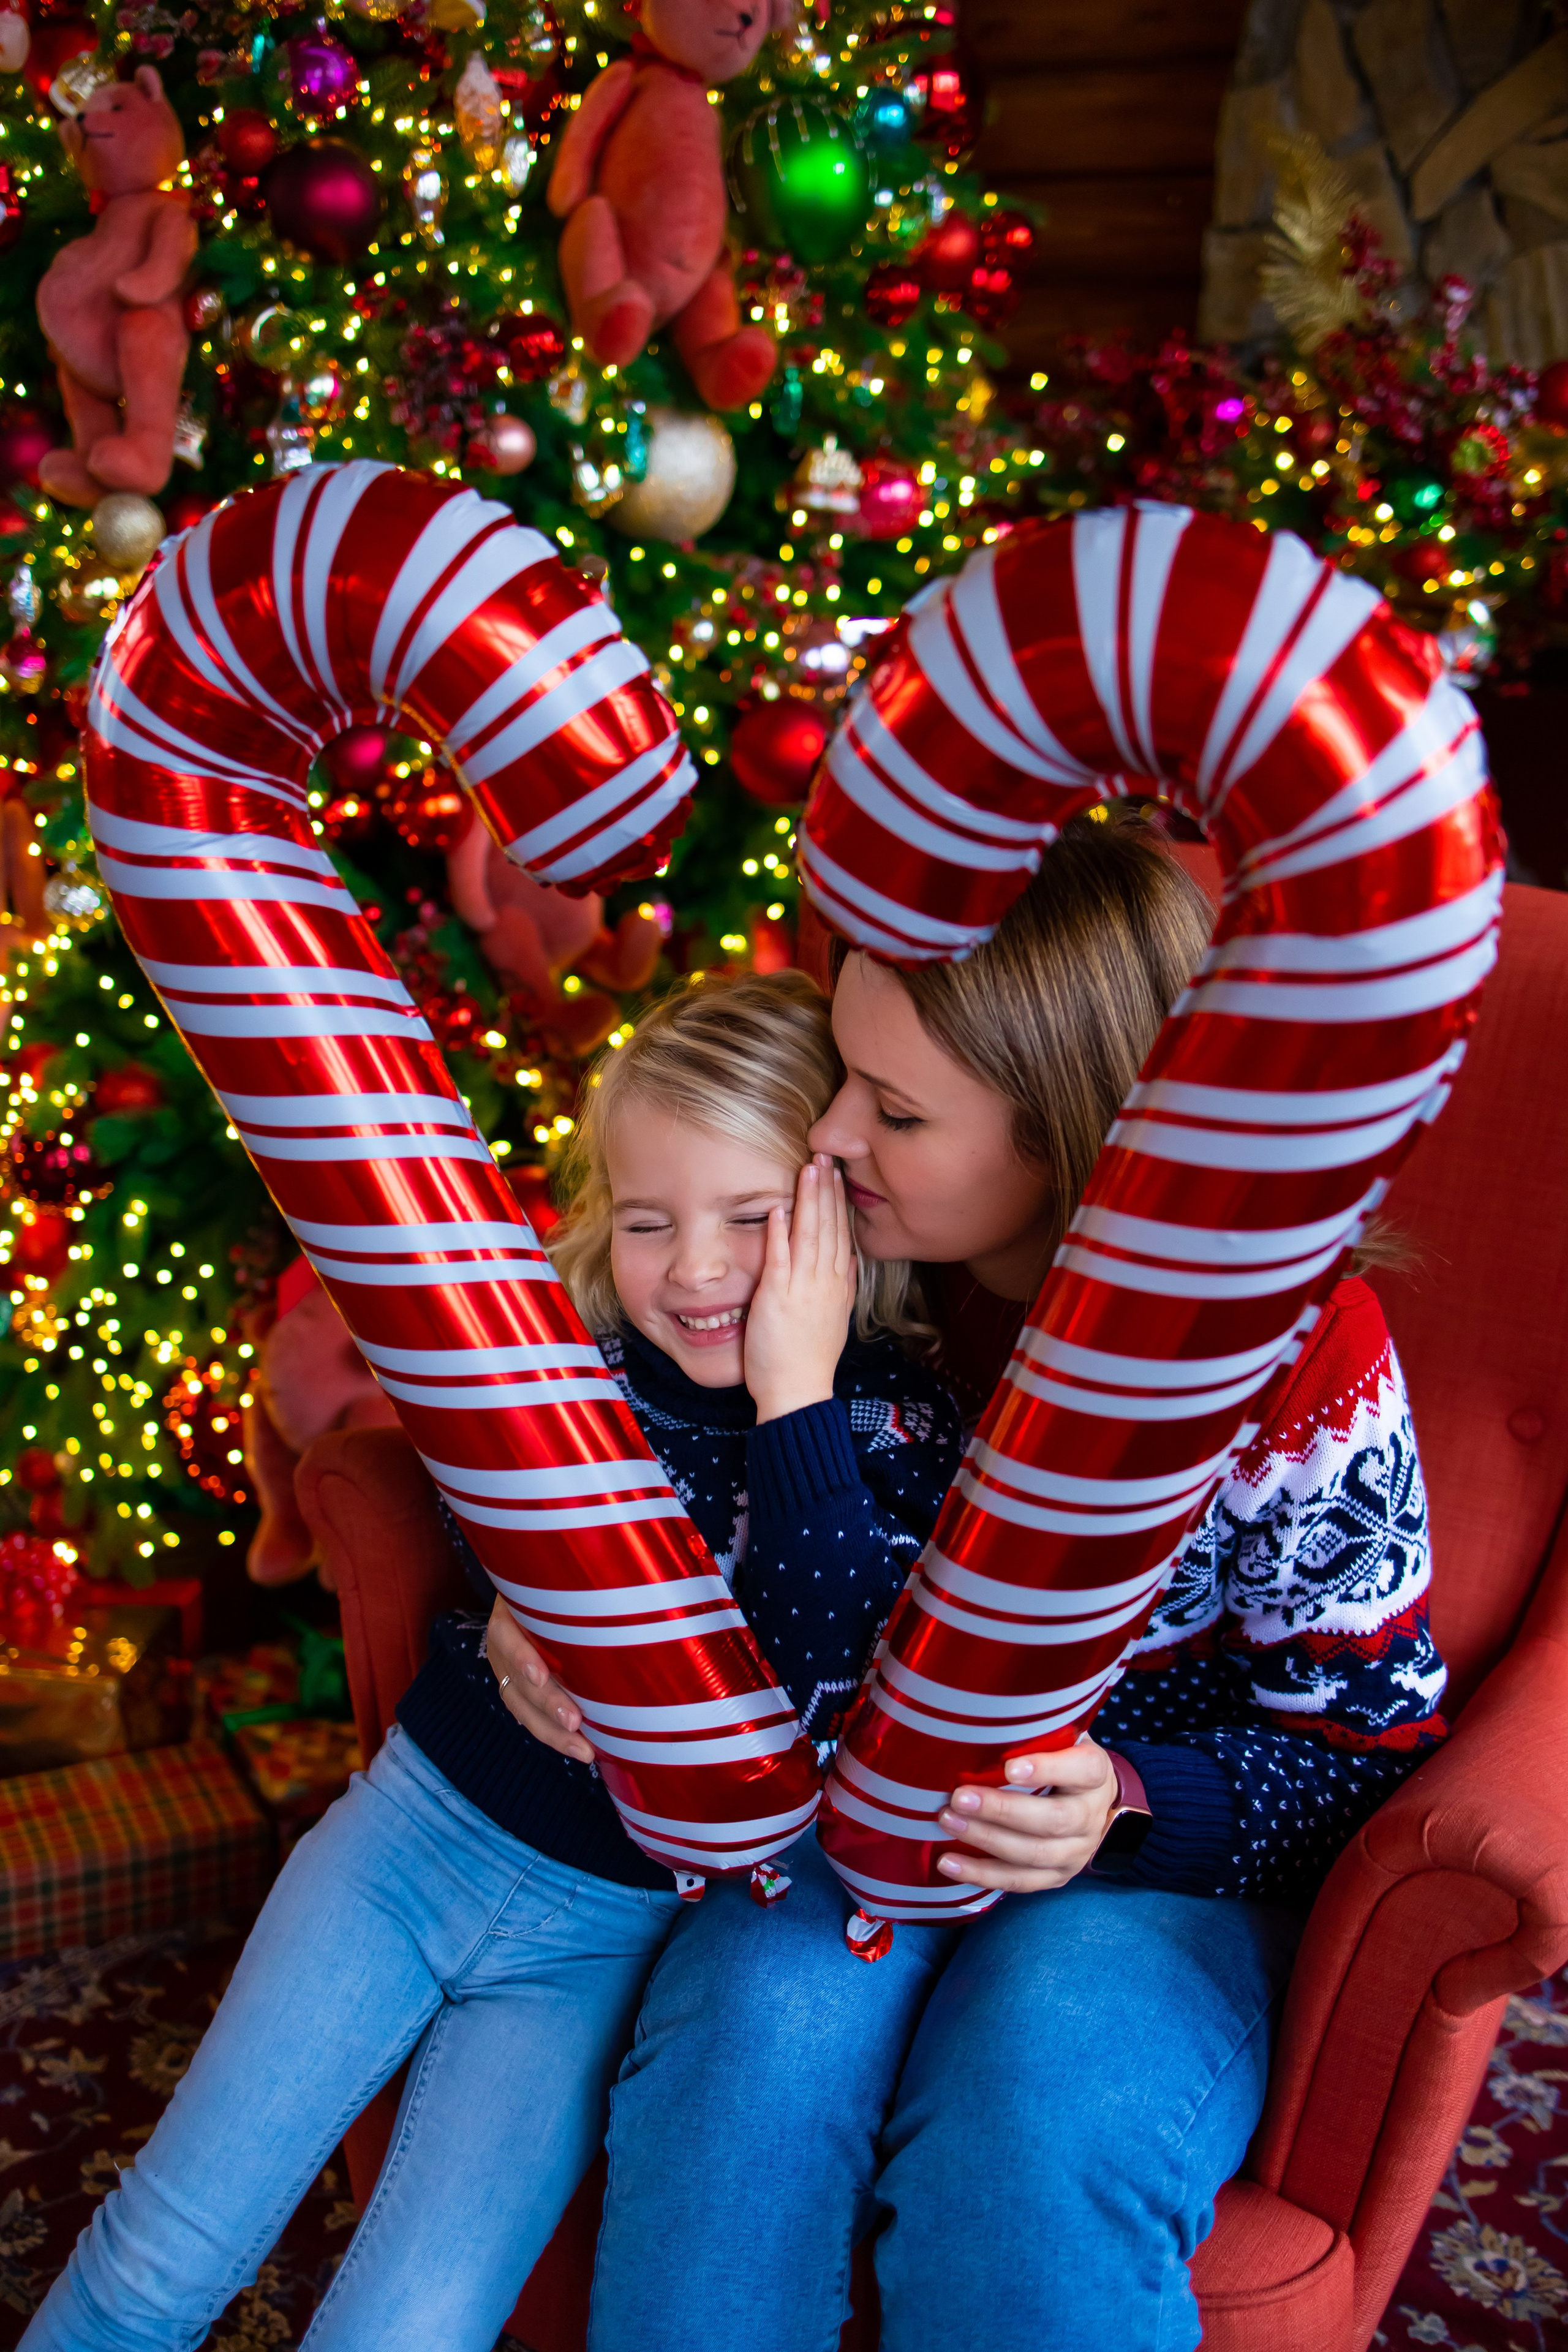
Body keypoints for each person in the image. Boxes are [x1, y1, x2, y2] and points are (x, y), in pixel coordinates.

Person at [490, 810, 1447, 2352]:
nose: (826, 1140)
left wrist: (1126, 1798)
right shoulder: (827, 1255)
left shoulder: (1288, 1349)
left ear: (1069, 1124)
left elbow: (1367, 1744)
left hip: (1140, 1872)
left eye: (895, 1112)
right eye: (839, 1082)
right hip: (840, 1822)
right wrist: (542, 1594)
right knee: (747, 2040)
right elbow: (627, 1453)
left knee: (1028, 2123)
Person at [23, 971, 963, 2352]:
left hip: (601, 1936)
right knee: (167, 2249)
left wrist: (794, 1397)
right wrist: (524, 1598)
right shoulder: (578, 1368)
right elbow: (482, 1515)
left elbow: (825, 1682)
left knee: (414, 2327)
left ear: (835, 1213)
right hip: (414, 1839)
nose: (695, 1270)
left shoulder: (885, 1428)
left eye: (750, 1222)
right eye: (650, 1224)